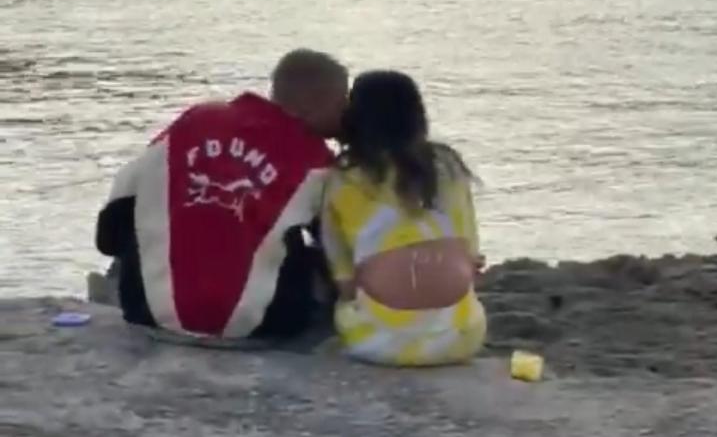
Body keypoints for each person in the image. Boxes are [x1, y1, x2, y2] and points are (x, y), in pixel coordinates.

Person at [95, 49, 347, 341]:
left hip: (147, 311)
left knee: (150, 210)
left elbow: (109, 233)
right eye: (342, 103)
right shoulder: (315, 161)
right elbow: (341, 247)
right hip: (264, 323)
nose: (346, 113)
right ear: (315, 104)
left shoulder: (195, 121)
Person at [321, 70, 487, 366]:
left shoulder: (343, 178)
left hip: (378, 342)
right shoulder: (449, 166)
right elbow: (471, 257)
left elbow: (345, 283)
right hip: (462, 336)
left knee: (345, 305)